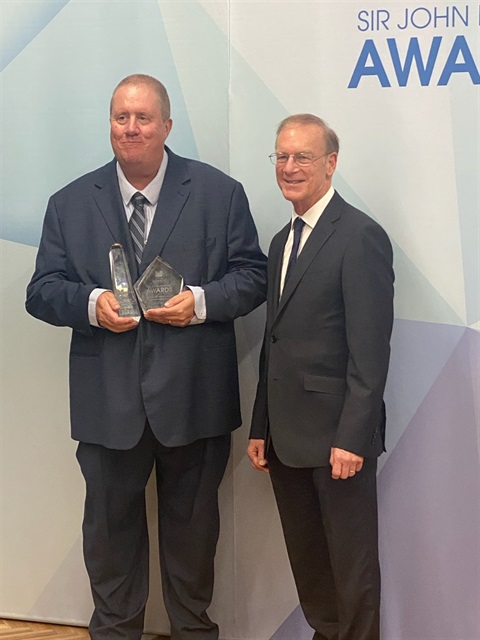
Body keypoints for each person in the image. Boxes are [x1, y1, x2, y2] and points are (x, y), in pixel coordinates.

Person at [26, 74, 267, 640]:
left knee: (193, 539)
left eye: (142, 118)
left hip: (193, 400)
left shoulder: (219, 193)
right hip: (107, 406)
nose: (130, 128)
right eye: (120, 117)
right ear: (110, 124)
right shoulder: (68, 202)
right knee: (109, 540)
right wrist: (90, 304)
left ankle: (191, 632)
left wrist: (201, 303)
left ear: (166, 126)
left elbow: (253, 277)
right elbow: (41, 290)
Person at [248, 114, 394, 640]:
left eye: (302, 157)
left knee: (352, 575)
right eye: (281, 157)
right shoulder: (279, 242)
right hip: (286, 441)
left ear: (330, 164)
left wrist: (353, 438)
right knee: (311, 570)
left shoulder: (360, 237)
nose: (289, 167)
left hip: (339, 445)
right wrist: (260, 425)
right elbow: (275, 341)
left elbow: (370, 353)